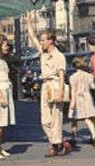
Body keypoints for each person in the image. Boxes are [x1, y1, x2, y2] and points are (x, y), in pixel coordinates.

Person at [25, 11, 70, 157]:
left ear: (51, 40)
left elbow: (62, 74)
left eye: (44, 40)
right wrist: (29, 22)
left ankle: (53, 146)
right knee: (45, 120)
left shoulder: (59, 56)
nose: (42, 42)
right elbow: (32, 37)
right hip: (45, 85)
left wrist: (61, 91)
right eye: (41, 40)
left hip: (56, 84)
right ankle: (61, 141)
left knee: (56, 118)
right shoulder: (43, 53)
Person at [68, 55, 95, 147]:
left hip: (78, 98)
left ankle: (73, 137)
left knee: (75, 119)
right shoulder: (89, 76)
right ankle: (94, 135)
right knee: (89, 117)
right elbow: (92, 87)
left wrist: (72, 104)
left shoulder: (72, 77)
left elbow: (73, 91)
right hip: (87, 97)